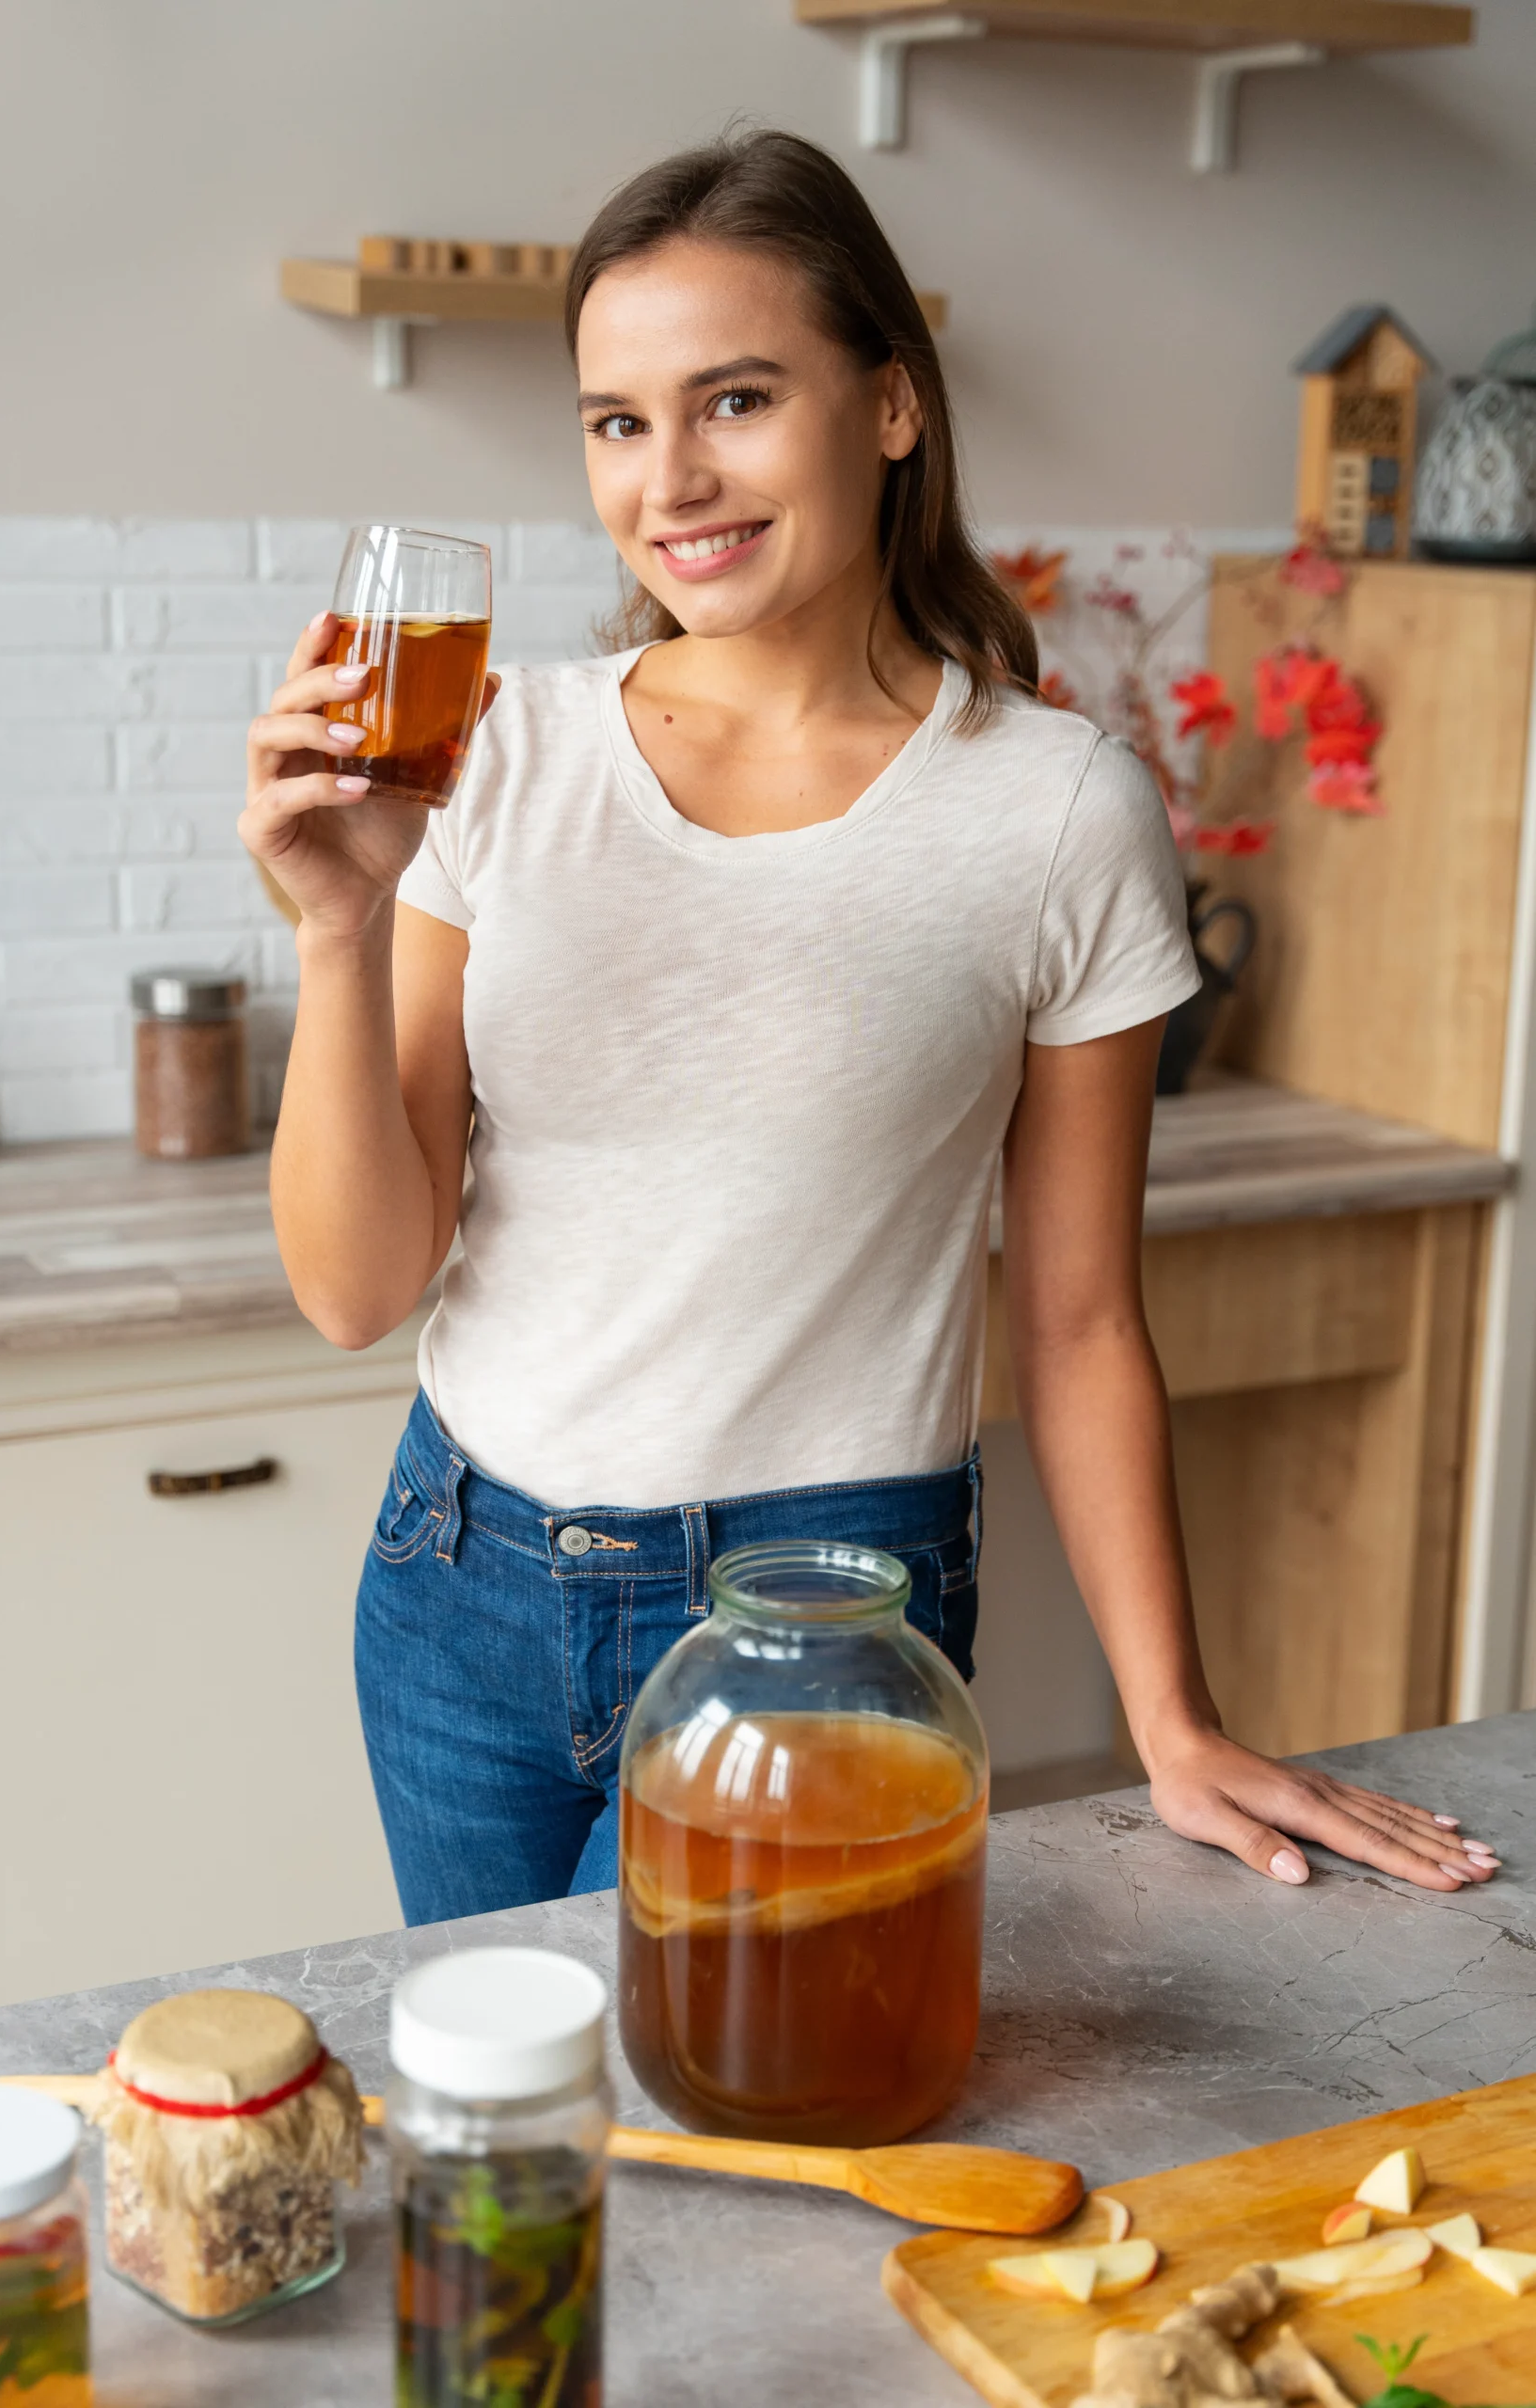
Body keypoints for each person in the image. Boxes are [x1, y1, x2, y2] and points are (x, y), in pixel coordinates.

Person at [242, 130, 1499, 1923]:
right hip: (461, 1584)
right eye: (617, 422)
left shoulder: (1054, 809)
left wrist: (1173, 1719)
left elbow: (1077, 1317)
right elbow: (357, 1290)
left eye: (736, 400)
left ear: (892, 403)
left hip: (819, 1619)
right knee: (498, 2081)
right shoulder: (499, 752)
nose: (671, 479)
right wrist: (340, 927)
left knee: (685, 2089)